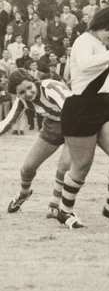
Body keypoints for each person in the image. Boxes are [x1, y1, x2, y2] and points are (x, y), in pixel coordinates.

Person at [57, 6, 109, 229]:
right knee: (82, 166)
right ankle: (65, 210)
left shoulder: (101, 45)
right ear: (103, 23)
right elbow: (83, 65)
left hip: (103, 104)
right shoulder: (84, 40)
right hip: (81, 106)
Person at [1, 69, 72, 218]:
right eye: (21, 92)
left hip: (74, 124)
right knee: (27, 167)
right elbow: (7, 122)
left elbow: (71, 110)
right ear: (16, 94)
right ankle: (23, 195)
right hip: (52, 126)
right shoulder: (22, 101)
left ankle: (54, 204)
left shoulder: (50, 88)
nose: (27, 94)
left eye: (29, 87)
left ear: (34, 81)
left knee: (64, 166)